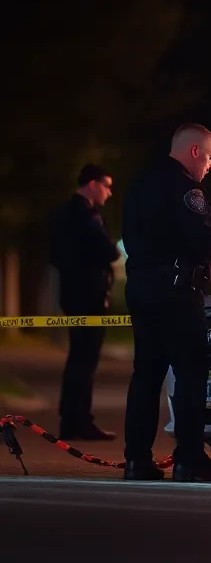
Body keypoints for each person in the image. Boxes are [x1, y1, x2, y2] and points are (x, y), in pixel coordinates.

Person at [120, 123, 211, 482]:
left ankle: (136, 461)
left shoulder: (140, 183)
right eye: (209, 158)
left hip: (142, 287)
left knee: (146, 375)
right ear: (195, 151)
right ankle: (189, 460)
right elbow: (205, 239)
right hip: (177, 292)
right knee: (192, 374)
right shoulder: (186, 188)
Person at [48, 164, 119, 441]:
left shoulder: (63, 213)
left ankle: (72, 420)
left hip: (73, 294)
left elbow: (54, 255)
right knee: (84, 361)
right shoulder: (86, 215)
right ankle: (80, 421)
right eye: (106, 185)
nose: (109, 192)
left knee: (78, 358)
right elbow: (109, 251)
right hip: (89, 297)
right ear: (92, 184)